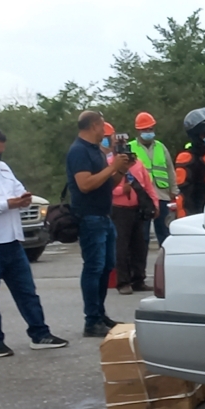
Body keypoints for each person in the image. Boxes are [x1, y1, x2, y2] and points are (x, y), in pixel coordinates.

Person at [0, 127, 68, 356]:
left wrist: (23, 199)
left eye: (0, 152)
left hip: (12, 242)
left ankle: (40, 334)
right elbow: (3, 202)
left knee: (27, 292)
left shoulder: (3, 168)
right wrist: (9, 204)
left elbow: (18, 191)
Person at [66, 110, 132, 337]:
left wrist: (121, 170)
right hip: (89, 216)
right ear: (94, 125)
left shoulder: (96, 152)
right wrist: (112, 168)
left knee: (106, 266)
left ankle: (100, 314)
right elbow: (85, 184)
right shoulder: (79, 151)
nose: (105, 131)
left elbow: (106, 184)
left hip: (104, 215)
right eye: (103, 126)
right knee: (93, 267)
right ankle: (91, 320)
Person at [108, 123, 160, 295]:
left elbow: (148, 185)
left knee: (140, 246)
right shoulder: (109, 164)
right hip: (120, 209)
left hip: (137, 209)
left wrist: (155, 203)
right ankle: (123, 281)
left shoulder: (137, 164)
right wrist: (120, 191)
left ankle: (139, 279)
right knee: (121, 247)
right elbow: (105, 188)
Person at [129, 112, 177, 245]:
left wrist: (174, 190)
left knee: (164, 231)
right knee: (142, 233)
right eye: (145, 130)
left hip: (162, 194)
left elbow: (170, 169)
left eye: (151, 129)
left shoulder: (161, 147)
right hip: (141, 196)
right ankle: (140, 260)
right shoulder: (131, 147)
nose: (149, 132)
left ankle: (166, 257)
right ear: (138, 131)